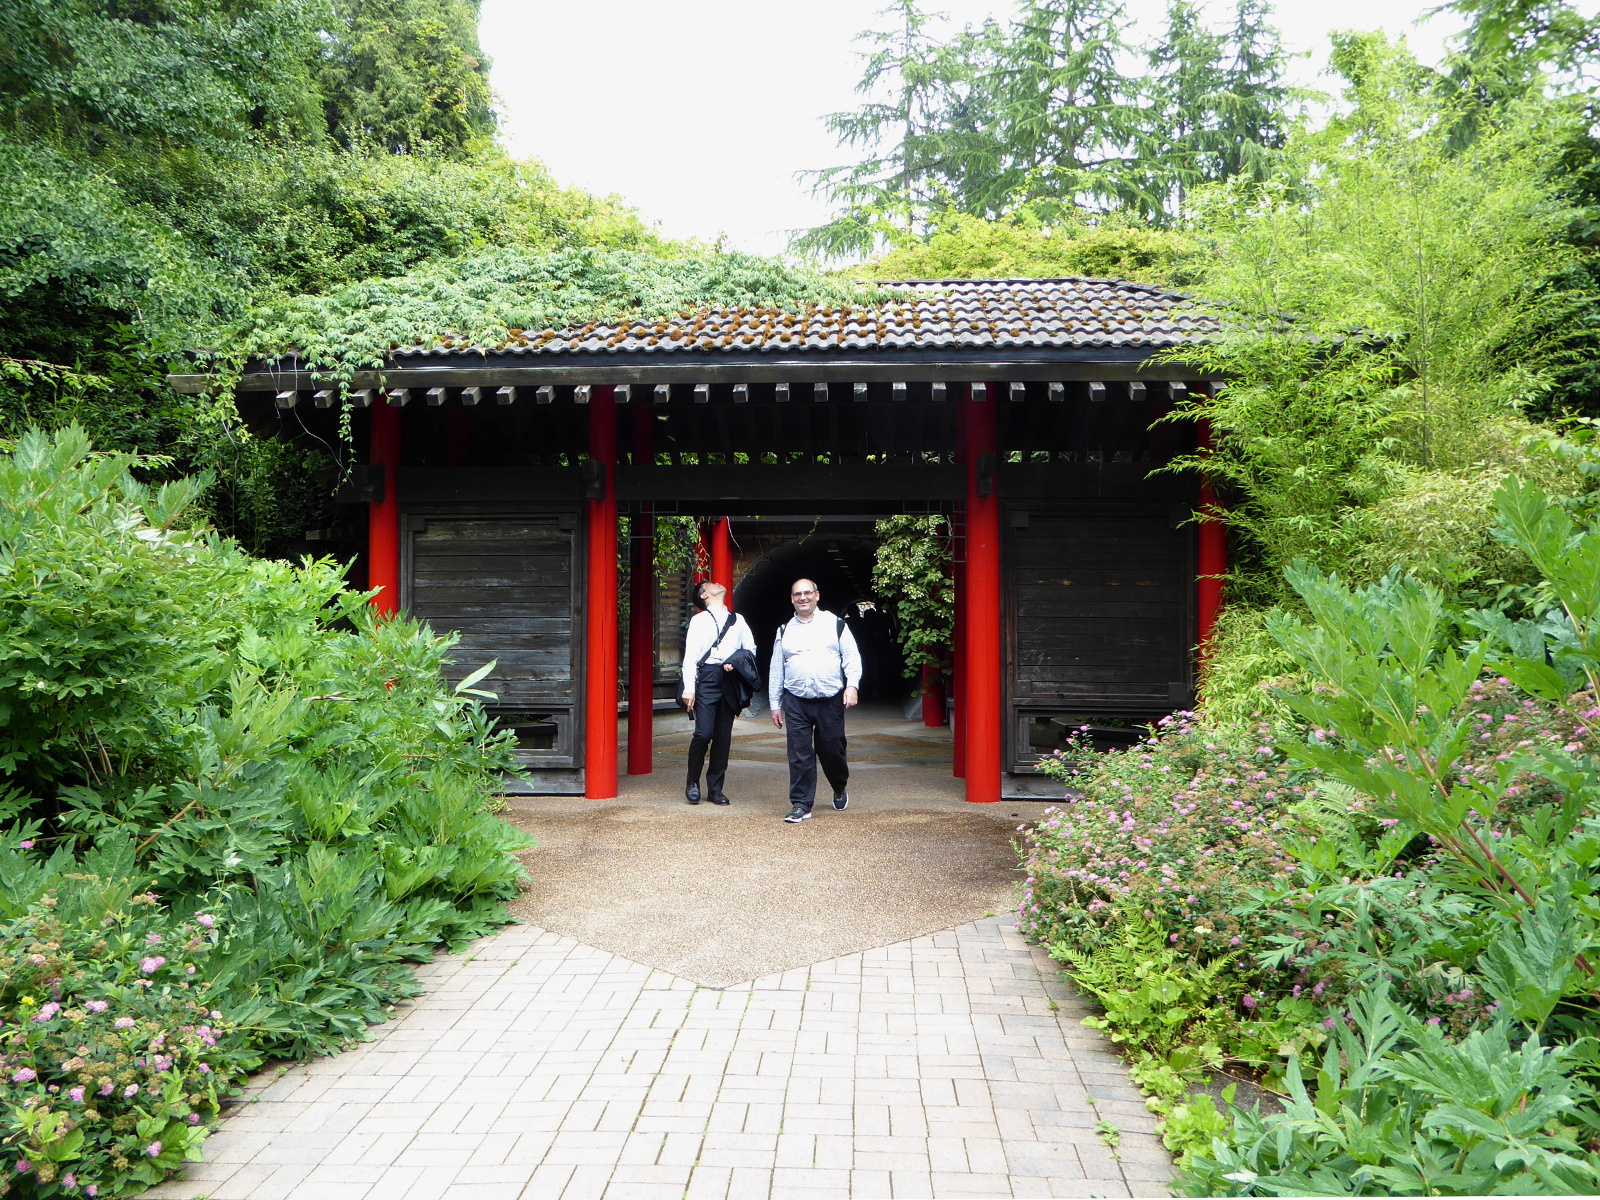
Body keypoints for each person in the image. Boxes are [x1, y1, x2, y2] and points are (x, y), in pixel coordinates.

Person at [768, 578, 861, 824]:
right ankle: (801, 804)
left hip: (830, 699)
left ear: (817, 595)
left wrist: (852, 685)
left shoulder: (836, 624)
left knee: (831, 749)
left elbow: (851, 656)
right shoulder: (784, 630)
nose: (803, 597)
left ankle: (839, 785)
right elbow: (776, 668)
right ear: (792, 599)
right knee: (799, 753)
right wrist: (775, 703)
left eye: (807, 592)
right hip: (796, 700)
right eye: (797, 594)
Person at [681, 578, 755, 806]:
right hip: (706, 678)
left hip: (729, 678)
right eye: (710, 584)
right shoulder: (699, 620)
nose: (716, 584)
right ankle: (692, 781)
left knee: (723, 737)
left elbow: (750, 648)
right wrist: (689, 688)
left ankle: (715, 789)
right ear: (704, 595)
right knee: (703, 733)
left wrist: (735, 661)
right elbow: (691, 656)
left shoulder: (738, 620)